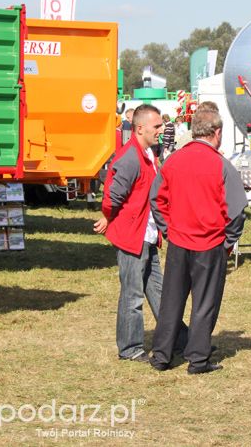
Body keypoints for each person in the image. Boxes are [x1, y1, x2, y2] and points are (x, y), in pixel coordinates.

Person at [149, 104, 247, 374]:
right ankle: (198, 358)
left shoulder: (173, 161)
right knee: (205, 303)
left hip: (180, 242)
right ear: (216, 133)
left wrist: (168, 229)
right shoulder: (221, 165)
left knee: (171, 301)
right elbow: (237, 211)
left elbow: (157, 199)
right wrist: (228, 242)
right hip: (210, 244)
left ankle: (161, 355)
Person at [93, 104, 185, 363]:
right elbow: (112, 196)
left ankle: (177, 339)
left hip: (146, 236)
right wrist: (110, 218)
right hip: (132, 237)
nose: (161, 130)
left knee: (160, 292)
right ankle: (130, 348)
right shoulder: (131, 157)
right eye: (157, 126)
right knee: (132, 295)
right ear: (140, 127)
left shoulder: (147, 154)